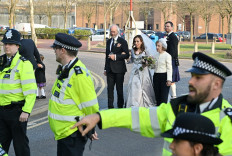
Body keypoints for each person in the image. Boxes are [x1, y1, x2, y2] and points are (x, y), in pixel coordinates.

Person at [72, 52, 232, 156]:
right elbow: (139, 116)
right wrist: (99, 116)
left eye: (198, 78)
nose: (190, 81)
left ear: (216, 84)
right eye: (191, 76)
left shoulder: (227, 122)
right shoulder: (178, 107)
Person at [48, 33, 99, 156]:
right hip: (64, 133)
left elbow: (91, 106)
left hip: (72, 134)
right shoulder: (67, 69)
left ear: (63, 50)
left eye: (55, 48)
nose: (54, 51)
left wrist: (91, 128)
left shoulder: (79, 75)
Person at [0, 29, 37, 156]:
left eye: (10, 44)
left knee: (20, 146)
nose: (6, 46)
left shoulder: (24, 64)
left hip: (17, 112)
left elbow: (31, 91)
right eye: (5, 43)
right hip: (2, 111)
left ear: (17, 46)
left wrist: (26, 111)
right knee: (1, 147)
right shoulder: (1, 62)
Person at [126, 35, 156, 107]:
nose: (136, 43)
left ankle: (143, 103)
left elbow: (151, 61)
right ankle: (134, 104)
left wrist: (147, 63)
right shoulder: (133, 51)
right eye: (135, 41)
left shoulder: (145, 51)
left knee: (143, 87)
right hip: (135, 72)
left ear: (141, 42)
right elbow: (132, 60)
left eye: (138, 41)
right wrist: (128, 59)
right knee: (134, 86)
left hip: (143, 72)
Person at [104, 24, 129, 109]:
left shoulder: (122, 41)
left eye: (114, 31)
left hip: (119, 70)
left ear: (117, 31)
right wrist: (105, 68)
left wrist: (115, 57)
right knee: (109, 90)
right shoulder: (108, 41)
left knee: (119, 90)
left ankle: (120, 106)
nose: (112, 33)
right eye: (111, 31)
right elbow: (106, 56)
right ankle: (110, 107)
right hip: (109, 70)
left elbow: (127, 55)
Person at [153, 38, 172, 106]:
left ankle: (163, 112)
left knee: (163, 97)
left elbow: (169, 68)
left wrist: (169, 80)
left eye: (158, 46)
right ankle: (158, 112)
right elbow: (153, 67)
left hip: (164, 77)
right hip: (156, 76)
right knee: (157, 96)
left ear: (163, 47)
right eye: (156, 46)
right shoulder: (155, 55)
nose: (157, 47)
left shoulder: (167, 56)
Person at [165, 21, 180, 99]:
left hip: (172, 60)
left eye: (168, 26)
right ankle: (170, 95)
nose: (166, 28)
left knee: (172, 79)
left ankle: (174, 96)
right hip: (169, 60)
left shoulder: (173, 37)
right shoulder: (168, 36)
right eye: (166, 26)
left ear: (171, 27)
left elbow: (173, 51)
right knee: (168, 78)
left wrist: (168, 60)